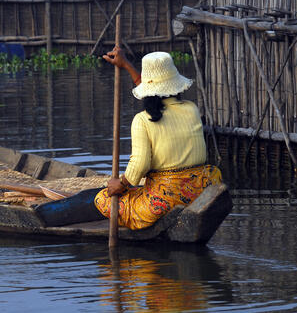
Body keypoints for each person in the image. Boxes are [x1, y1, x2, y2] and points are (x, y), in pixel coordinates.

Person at [94, 47, 223, 230]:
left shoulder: (142, 120)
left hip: (166, 200)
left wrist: (120, 185)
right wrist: (126, 65)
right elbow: (153, 90)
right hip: (201, 189)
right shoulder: (191, 109)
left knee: (101, 198)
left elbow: (140, 165)